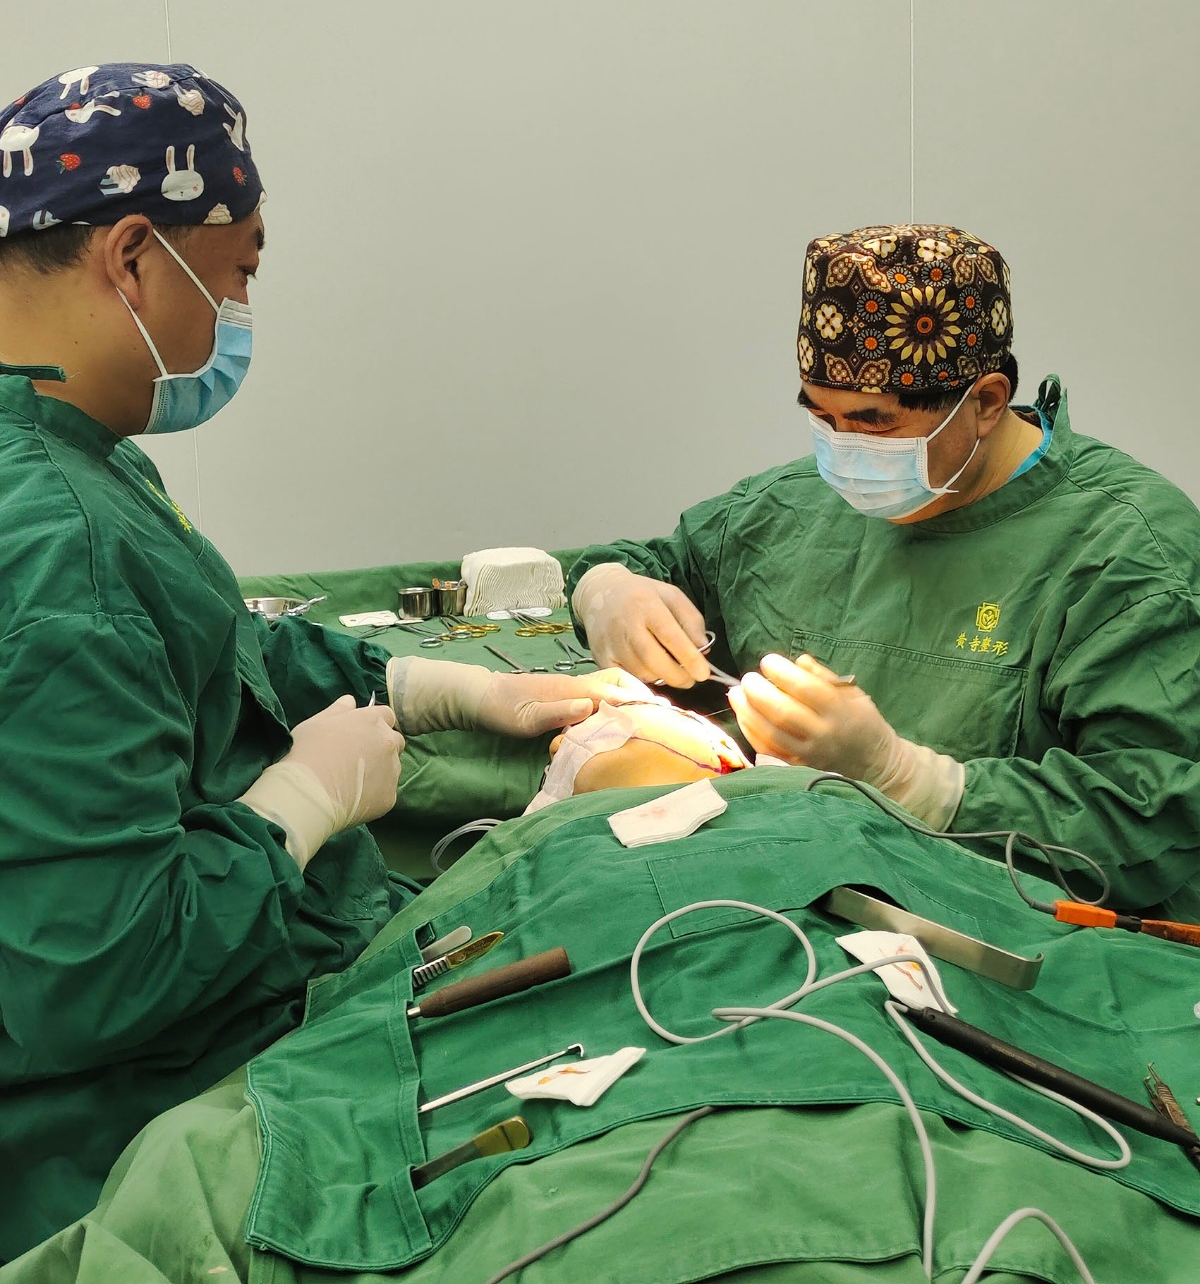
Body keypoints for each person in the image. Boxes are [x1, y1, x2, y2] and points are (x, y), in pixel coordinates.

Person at [0, 62, 632, 1259]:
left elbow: (213, 643)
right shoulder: (60, 547)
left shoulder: (82, 455)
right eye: (238, 272)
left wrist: (443, 687)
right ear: (132, 256)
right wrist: (298, 804)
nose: (240, 309)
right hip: (129, 1116)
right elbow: (91, 973)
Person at [568, 223, 1200, 920]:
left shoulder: (1128, 553)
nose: (845, 451)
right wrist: (608, 587)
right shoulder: (787, 507)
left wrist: (909, 778)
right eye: (823, 417)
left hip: (1018, 932)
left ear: (987, 402)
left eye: (875, 424)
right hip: (786, 903)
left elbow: (1154, 817)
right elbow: (653, 562)